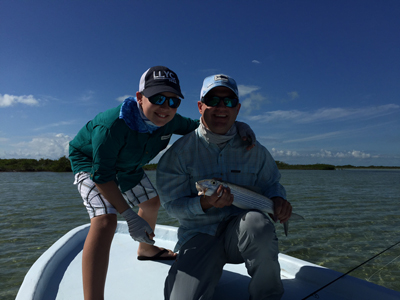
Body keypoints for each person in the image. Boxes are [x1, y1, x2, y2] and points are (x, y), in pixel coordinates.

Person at [68, 66, 256, 300]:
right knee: (105, 220)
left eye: (173, 101)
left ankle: (146, 249)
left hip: (128, 165)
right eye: (158, 98)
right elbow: (102, 177)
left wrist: (240, 127)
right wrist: (129, 215)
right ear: (140, 97)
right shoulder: (110, 127)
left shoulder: (171, 121)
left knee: (151, 203)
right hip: (91, 164)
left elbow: (204, 127)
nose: (165, 108)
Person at [156, 74, 292, 300]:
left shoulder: (254, 149)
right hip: (199, 234)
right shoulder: (178, 154)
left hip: (241, 236)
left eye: (228, 102)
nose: (221, 107)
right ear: (200, 107)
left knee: (259, 224)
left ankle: (267, 296)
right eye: (213, 101)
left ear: (237, 109)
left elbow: (271, 184)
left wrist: (278, 199)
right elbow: (172, 206)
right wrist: (204, 203)